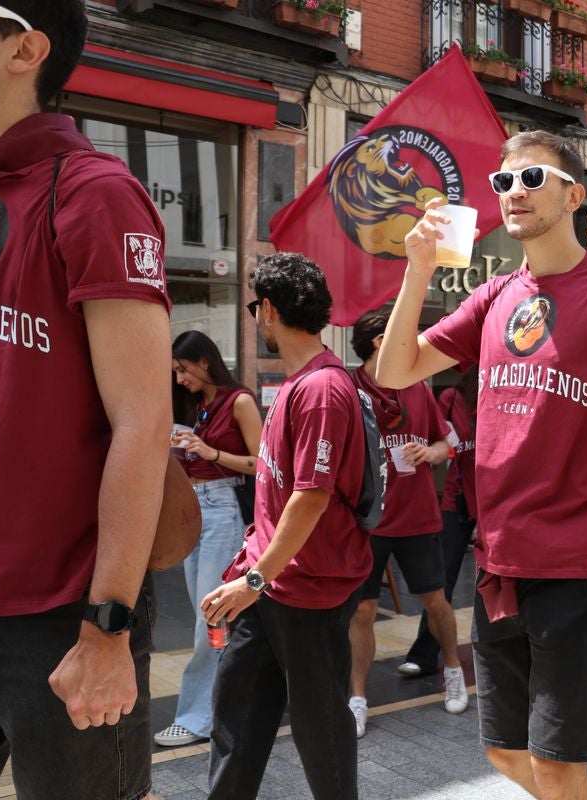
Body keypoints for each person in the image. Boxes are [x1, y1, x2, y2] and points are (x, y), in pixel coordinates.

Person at [376, 130, 587, 799]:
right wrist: (418, 269)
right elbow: (395, 368)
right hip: (498, 564)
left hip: (578, 565)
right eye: (503, 183)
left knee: (561, 763)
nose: (513, 192)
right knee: (506, 752)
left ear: (574, 195)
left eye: (532, 179)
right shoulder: (494, 296)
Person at [0, 3, 172, 798]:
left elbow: (142, 423)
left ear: (24, 48)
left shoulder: (95, 190)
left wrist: (107, 627)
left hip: (62, 617)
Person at [202, 252, 373, 799]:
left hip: (308, 592)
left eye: (255, 308)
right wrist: (252, 576)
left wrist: (252, 581)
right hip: (268, 584)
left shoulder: (323, 388)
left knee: (320, 730)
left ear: (269, 310)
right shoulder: (299, 382)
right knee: (237, 719)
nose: (256, 318)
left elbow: (310, 498)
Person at [347, 311, 466, 735]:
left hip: (417, 517)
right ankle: (356, 696)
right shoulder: (350, 388)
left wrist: (432, 454)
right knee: (362, 610)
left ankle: (452, 668)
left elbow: (446, 442)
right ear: (381, 341)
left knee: (435, 601)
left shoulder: (417, 386)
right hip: (367, 522)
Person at [154, 332, 263, 747]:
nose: (179, 379)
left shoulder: (239, 401)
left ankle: (198, 716)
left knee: (210, 616)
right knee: (215, 616)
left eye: (182, 370)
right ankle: (233, 703)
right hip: (195, 509)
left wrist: (210, 452)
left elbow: (261, 462)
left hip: (224, 507)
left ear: (203, 360)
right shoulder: (199, 406)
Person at [399, 367, 480, 678]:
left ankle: (505, 651)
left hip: (494, 498)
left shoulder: (502, 394)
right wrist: (439, 452)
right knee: (441, 579)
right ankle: (423, 655)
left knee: (498, 580)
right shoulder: (451, 397)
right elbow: (443, 443)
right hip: (457, 496)